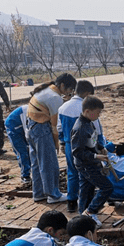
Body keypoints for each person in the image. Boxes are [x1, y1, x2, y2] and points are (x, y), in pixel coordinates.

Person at [27, 73, 77, 204]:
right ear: (62, 86)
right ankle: (53, 195)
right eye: (69, 89)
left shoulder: (46, 90)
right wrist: (57, 143)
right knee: (49, 163)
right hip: (41, 128)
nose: (70, 93)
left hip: (32, 126)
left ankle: (39, 193)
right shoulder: (55, 98)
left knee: (37, 163)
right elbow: (55, 126)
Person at [58, 80, 100, 213]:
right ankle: (87, 205)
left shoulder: (63, 107)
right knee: (87, 175)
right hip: (86, 145)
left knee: (72, 172)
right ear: (87, 93)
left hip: (69, 144)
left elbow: (59, 128)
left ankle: (71, 201)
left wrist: (62, 142)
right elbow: (96, 130)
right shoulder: (86, 108)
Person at [71, 96, 113, 228]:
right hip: (86, 165)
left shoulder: (89, 123)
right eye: (98, 112)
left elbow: (94, 140)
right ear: (88, 111)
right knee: (107, 187)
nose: (99, 115)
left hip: (90, 162)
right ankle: (91, 211)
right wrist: (95, 156)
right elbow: (77, 152)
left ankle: (81, 217)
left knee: (86, 189)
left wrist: (101, 148)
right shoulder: (80, 128)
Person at [4, 105, 31, 184]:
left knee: (29, 150)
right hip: (13, 128)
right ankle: (25, 175)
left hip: (21, 126)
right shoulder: (28, 111)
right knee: (22, 152)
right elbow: (28, 132)